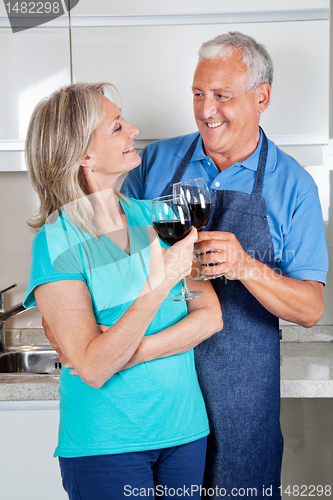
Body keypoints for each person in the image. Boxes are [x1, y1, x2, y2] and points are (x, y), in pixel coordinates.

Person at [121, 32, 329, 499]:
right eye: (198, 93)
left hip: (242, 407)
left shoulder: (294, 186)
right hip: (159, 393)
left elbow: (311, 308)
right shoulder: (151, 164)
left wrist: (246, 267)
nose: (205, 109)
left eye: (222, 96)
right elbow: (108, 252)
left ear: (262, 97)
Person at [22, 82, 222, 500]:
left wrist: (122, 353)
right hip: (107, 442)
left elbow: (209, 317)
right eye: (116, 127)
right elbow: (93, 372)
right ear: (83, 155)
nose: (133, 129)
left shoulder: (160, 216)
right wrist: (160, 282)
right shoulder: (56, 242)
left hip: (185, 429)